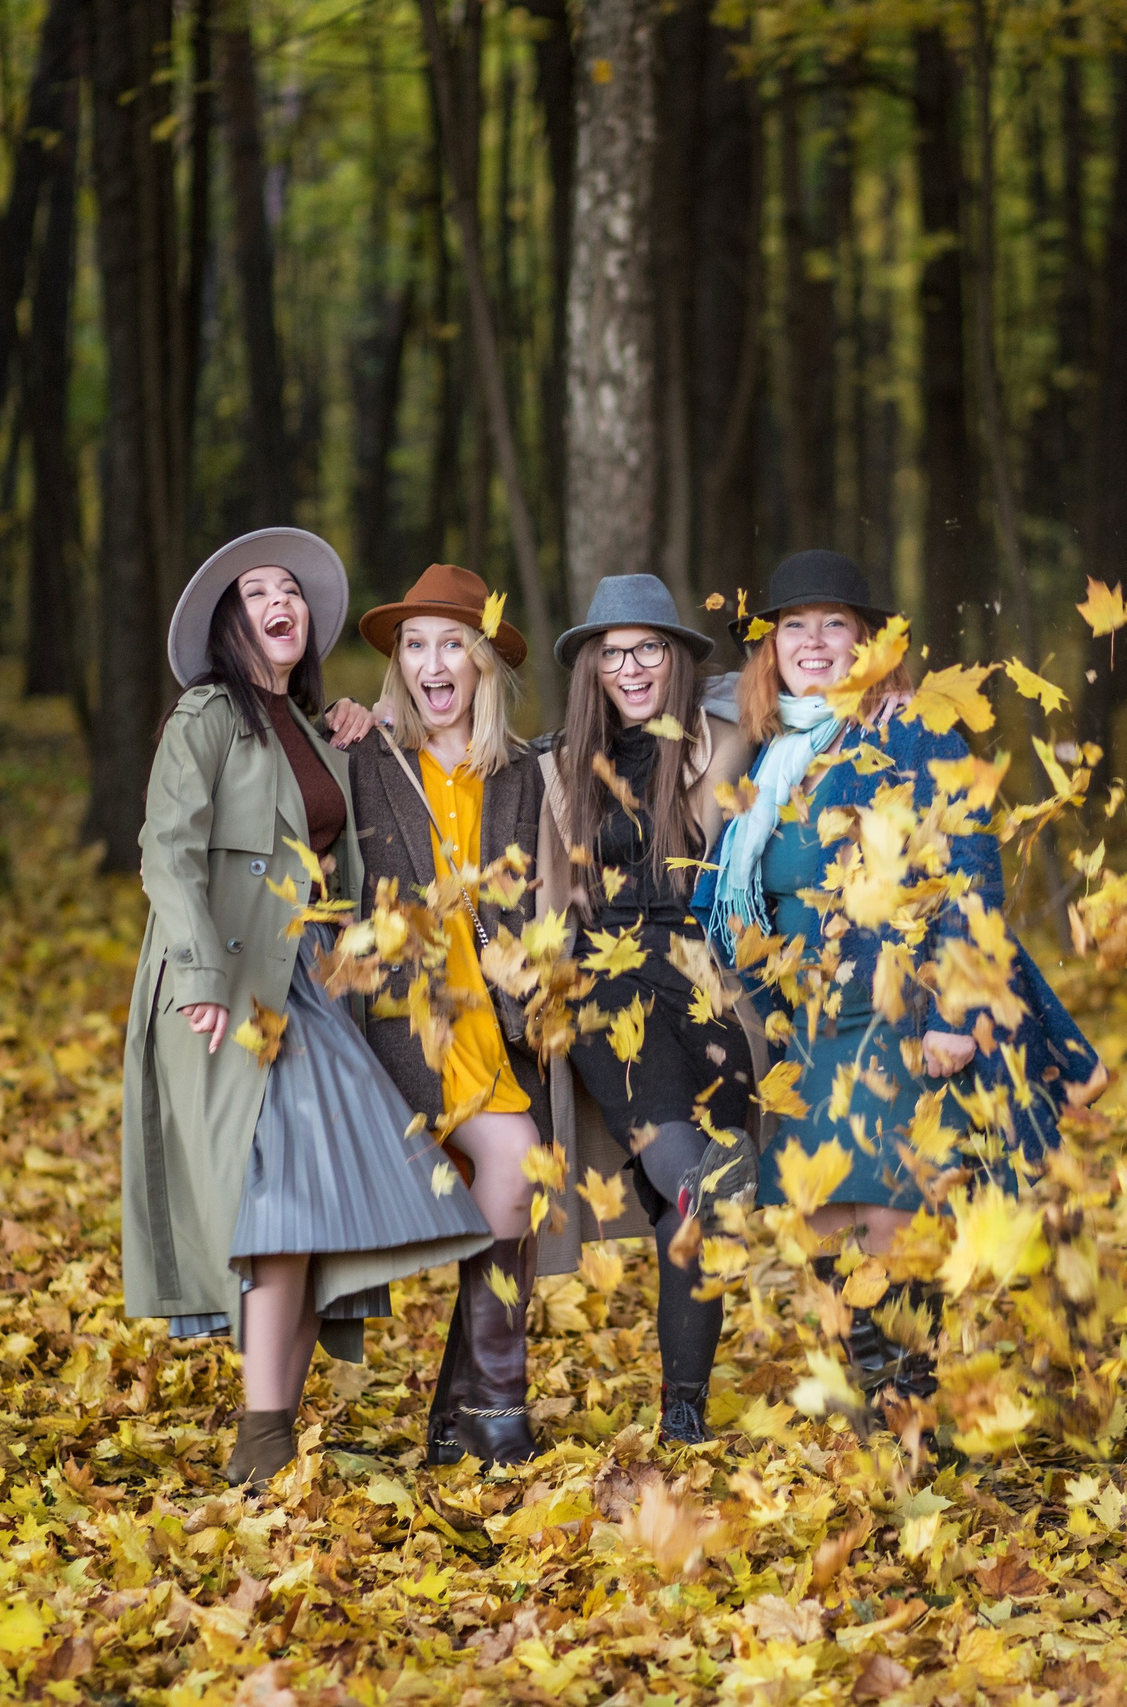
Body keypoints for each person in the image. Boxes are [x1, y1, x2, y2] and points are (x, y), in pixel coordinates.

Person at [122, 528, 494, 1490]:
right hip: (229, 977)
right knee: (277, 1202)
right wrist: (202, 979)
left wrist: (357, 731)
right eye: (257, 591)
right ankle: (263, 1436)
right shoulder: (208, 714)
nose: (279, 601)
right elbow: (165, 851)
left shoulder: (319, 724)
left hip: (314, 974)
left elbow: (351, 831)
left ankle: (270, 1434)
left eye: (290, 588)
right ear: (229, 620)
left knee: (303, 1203)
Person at [698, 549, 1107, 1419]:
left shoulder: (911, 726)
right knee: (818, 1217)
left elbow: (970, 865)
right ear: (769, 648)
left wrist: (957, 1007)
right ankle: (868, 1388)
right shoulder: (765, 746)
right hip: (801, 1021)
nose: (813, 642)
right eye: (793, 626)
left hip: (898, 1004)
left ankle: (906, 1402)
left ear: (867, 641)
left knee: (891, 1211)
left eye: (833, 625)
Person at [537, 575, 760, 1445]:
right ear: (592, 667)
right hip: (601, 978)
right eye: (615, 652)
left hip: (706, 977)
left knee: (689, 1205)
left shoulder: (727, 740)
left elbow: (803, 695)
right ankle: (705, 1182)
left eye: (650, 648)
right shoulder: (557, 762)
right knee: (692, 1174)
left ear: (676, 660)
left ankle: (684, 1410)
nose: (631, 667)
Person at [347, 563, 555, 1468]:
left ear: (482, 666)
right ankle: (495, 1409)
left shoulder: (524, 773)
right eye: (416, 645)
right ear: (400, 665)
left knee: (520, 1176)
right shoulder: (365, 756)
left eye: (452, 646)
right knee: (514, 1167)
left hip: (500, 1024)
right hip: (404, 1028)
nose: (433, 663)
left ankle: (464, 1414)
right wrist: (346, 720)